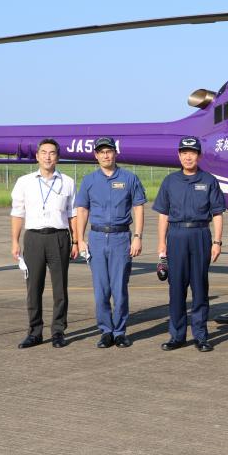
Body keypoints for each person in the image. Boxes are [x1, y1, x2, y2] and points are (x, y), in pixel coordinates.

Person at [153, 136, 225, 352]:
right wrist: (161, 244)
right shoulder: (170, 181)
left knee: (200, 287)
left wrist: (217, 241)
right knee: (176, 288)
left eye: (192, 152)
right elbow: (163, 215)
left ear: (199, 156)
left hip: (200, 234)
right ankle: (177, 335)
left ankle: (201, 336)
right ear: (179, 156)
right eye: (184, 152)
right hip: (176, 236)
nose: (188, 156)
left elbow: (218, 213)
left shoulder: (209, 180)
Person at [75, 137, 146, 349]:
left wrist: (138, 236)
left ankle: (120, 331)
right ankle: (106, 330)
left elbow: (139, 207)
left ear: (116, 153)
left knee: (119, 288)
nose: (106, 155)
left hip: (120, 238)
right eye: (101, 152)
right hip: (96, 238)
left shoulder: (129, 178)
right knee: (101, 289)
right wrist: (79, 239)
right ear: (96, 155)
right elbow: (82, 210)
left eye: (109, 151)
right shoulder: (89, 181)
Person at [10, 138, 78, 349]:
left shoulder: (67, 181)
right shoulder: (25, 181)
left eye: (52, 153)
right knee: (34, 287)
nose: (48, 156)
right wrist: (14, 241)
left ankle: (58, 331)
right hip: (34, 239)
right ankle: (35, 332)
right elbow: (17, 213)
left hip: (59, 237)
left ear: (58, 156)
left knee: (60, 288)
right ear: (37, 156)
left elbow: (72, 213)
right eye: (44, 152)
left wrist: (75, 240)